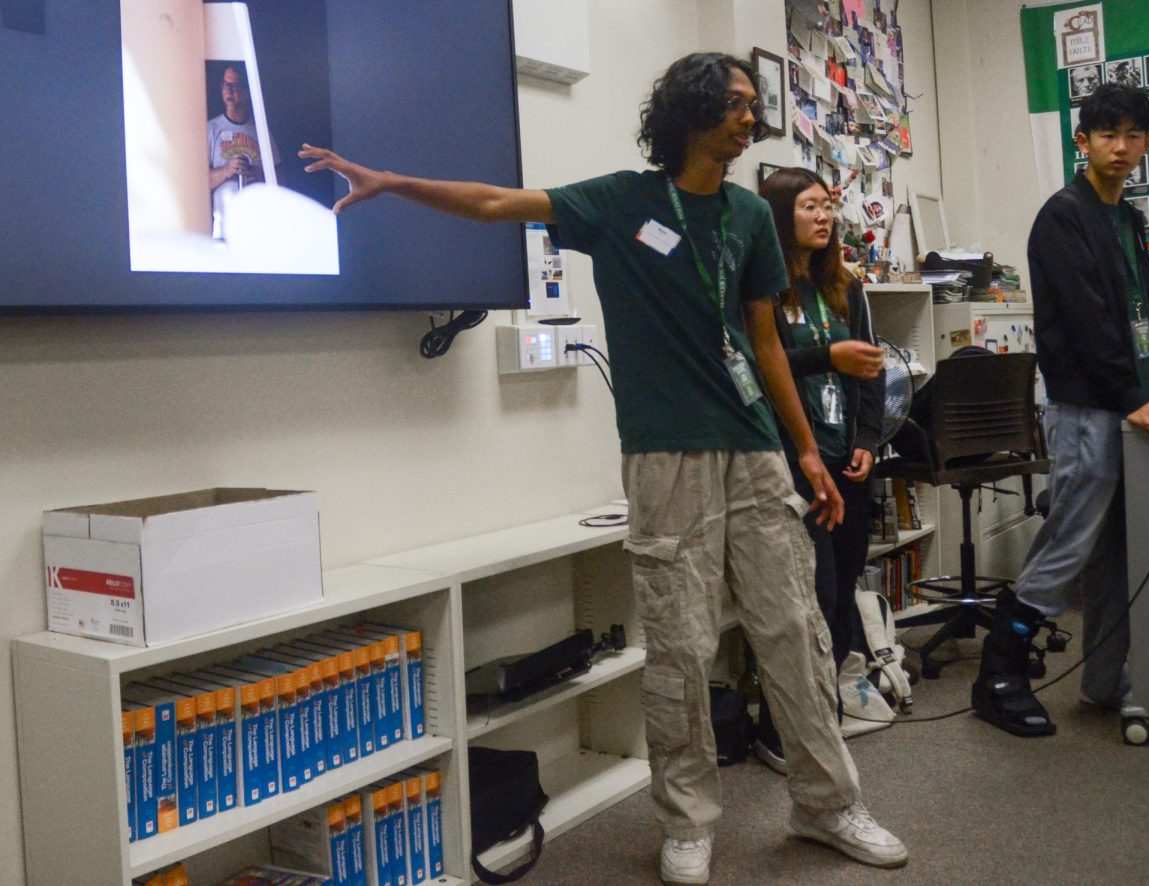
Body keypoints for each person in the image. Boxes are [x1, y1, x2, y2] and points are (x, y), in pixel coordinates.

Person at [301, 51, 908, 881]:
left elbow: (764, 339)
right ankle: (689, 822)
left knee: (795, 633)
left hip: (756, 450)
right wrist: (394, 183)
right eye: (734, 104)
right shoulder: (622, 203)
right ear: (693, 112)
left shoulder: (748, 215)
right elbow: (493, 203)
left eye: (749, 104)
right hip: (665, 456)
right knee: (681, 648)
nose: (748, 118)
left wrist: (806, 449)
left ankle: (828, 804)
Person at [970, 83, 1149, 738]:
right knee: (1069, 542)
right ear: (1083, 141)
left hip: (1127, 406)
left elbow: (1136, 322)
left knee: (1116, 553)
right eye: (1108, 134)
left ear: (1146, 143)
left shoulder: (1126, 220)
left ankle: (1103, 680)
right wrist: (1136, 397)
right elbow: (1087, 322)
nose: (1122, 147)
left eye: (1133, 135)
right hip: (1084, 409)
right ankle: (1001, 675)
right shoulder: (1063, 215)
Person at [752, 167, 886, 771]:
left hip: (847, 462)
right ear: (783, 216)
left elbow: (872, 371)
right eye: (810, 206)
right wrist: (827, 356)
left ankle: (822, 716)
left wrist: (867, 439)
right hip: (795, 465)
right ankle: (779, 727)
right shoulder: (763, 290)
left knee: (841, 594)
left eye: (828, 205)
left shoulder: (845, 288)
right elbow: (763, 366)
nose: (824, 216)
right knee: (810, 594)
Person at [207, 62, 279, 239]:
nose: (229, 92)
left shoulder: (261, 131)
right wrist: (226, 170)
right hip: (223, 231)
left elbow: (281, 182)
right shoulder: (211, 129)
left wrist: (259, 174)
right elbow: (197, 184)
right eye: (226, 85)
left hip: (258, 230)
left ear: (246, 91)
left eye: (235, 86)